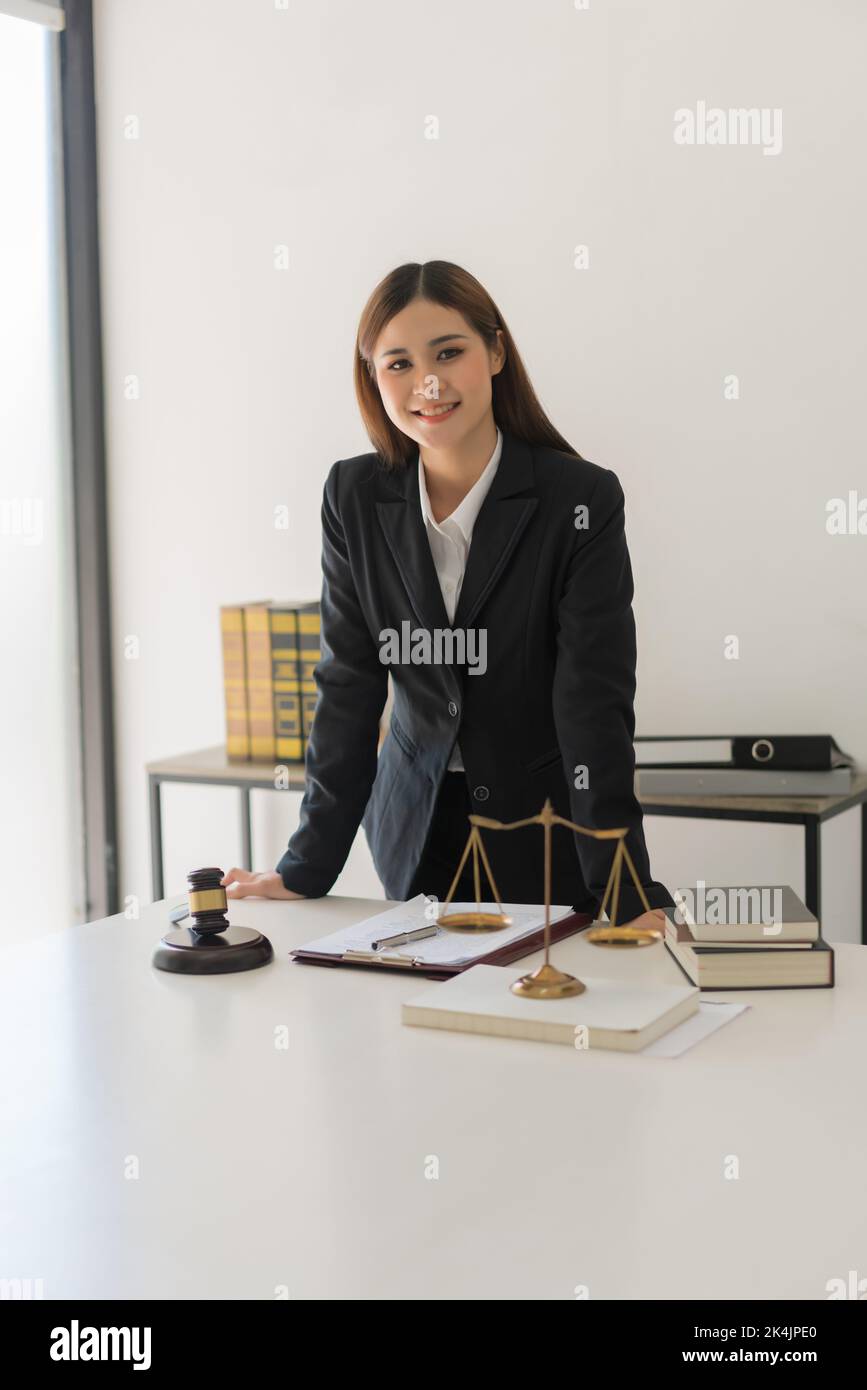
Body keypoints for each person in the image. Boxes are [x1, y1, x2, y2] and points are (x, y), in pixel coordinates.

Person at [222, 260, 673, 931]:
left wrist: (624, 887)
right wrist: (304, 866)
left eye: (448, 353)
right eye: (397, 363)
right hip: (413, 828)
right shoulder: (352, 496)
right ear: (372, 377)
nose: (425, 383)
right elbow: (349, 683)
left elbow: (591, 705)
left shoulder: (579, 500)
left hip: (545, 835)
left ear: (494, 352)